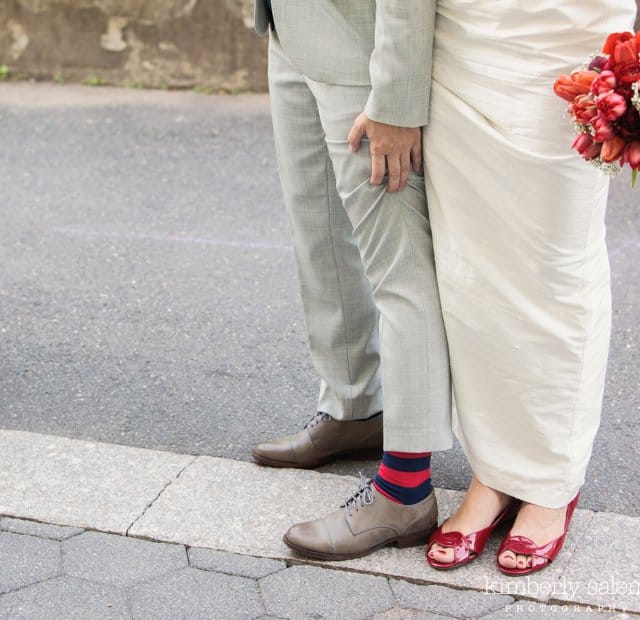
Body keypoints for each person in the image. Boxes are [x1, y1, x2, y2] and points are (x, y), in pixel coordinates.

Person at [423, 0, 637, 575]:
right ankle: (493, 471)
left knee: (556, 270)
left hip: (567, 43)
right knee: (472, 275)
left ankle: (550, 479)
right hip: (464, 46)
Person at [250, 0, 453, 560]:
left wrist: (395, 96)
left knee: (399, 268)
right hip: (292, 31)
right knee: (317, 237)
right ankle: (354, 406)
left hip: (364, 51)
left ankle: (405, 489)